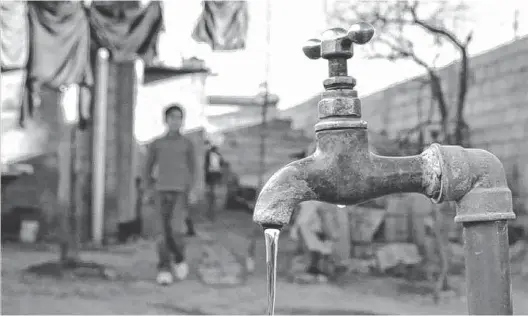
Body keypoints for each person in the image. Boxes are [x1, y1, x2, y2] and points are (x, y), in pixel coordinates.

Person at [143, 103, 198, 286]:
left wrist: (194, 190)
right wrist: (148, 189)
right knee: (161, 232)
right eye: (172, 117)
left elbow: (194, 169)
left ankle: (179, 258)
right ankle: (164, 268)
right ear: (165, 120)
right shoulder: (157, 144)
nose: (176, 121)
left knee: (176, 230)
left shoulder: (187, 144)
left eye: (179, 118)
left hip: (180, 192)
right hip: (160, 192)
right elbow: (147, 168)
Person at [204, 141, 225, 221]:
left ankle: (212, 212)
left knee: (212, 195)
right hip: (211, 177)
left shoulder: (216, 155)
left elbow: (221, 164)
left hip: (214, 176)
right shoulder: (210, 154)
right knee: (211, 195)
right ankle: (210, 212)